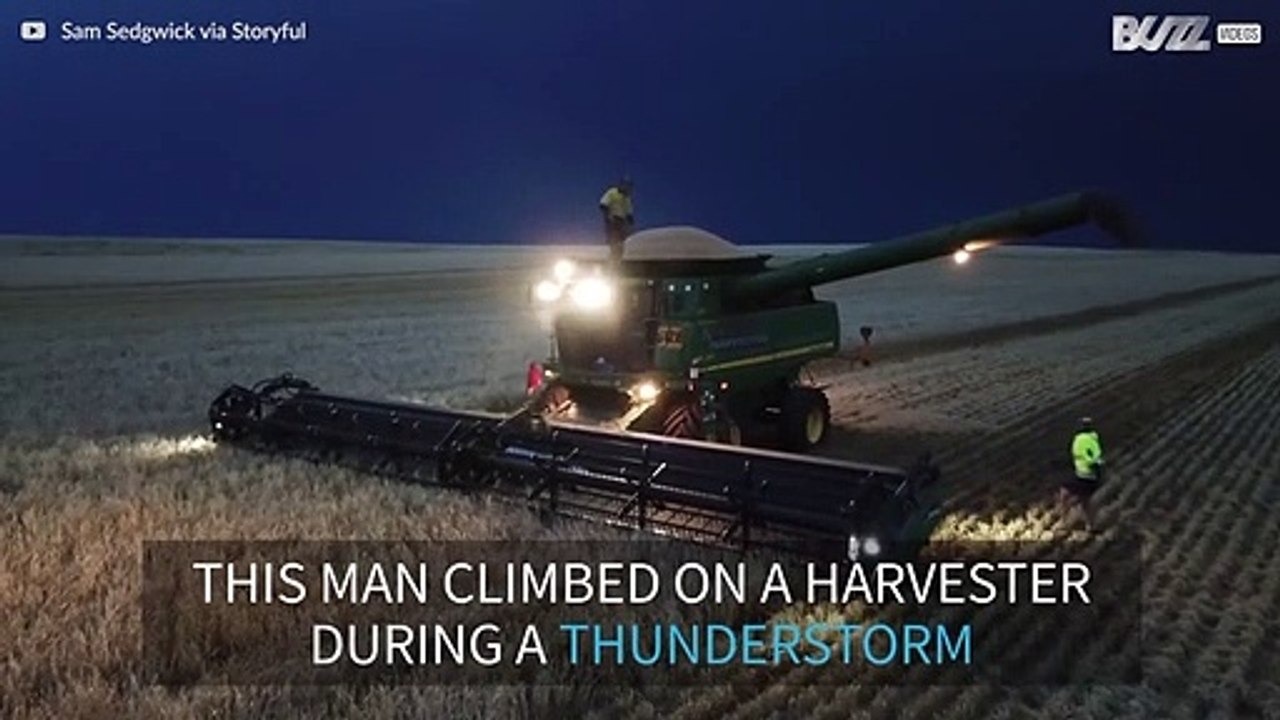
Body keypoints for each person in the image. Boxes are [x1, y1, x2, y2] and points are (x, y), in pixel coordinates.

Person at [1061, 416, 1104, 530]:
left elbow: (1095, 459)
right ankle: (1091, 525)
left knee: (1064, 495)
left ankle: (1065, 523)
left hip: (1085, 476)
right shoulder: (1090, 439)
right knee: (1085, 501)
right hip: (1087, 477)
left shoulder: (1085, 440)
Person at [599, 177, 634, 261]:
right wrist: (607, 213)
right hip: (612, 219)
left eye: (629, 188)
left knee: (621, 239)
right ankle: (613, 254)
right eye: (626, 186)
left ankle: (618, 255)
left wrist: (630, 218)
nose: (627, 189)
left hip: (621, 220)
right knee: (613, 238)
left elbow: (628, 210)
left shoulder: (626, 198)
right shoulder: (612, 192)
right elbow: (604, 203)